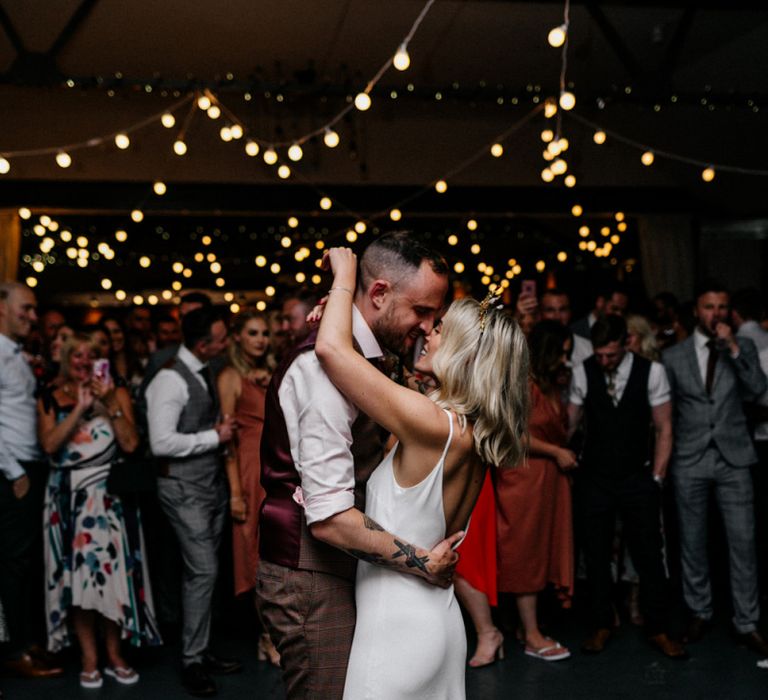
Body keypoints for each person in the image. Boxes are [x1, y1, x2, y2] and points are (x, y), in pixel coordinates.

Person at [313, 247, 529, 699]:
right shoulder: (466, 431)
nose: (427, 333)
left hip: (398, 629)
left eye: (442, 330)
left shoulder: (433, 426)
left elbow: (330, 350)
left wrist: (344, 279)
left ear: (465, 355)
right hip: (436, 618)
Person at [255, 232, 456, 698]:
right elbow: (327, 520)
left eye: (434, 316)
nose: (427, 328)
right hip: (309, 572)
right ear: (380, 294)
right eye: (420, 312)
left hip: (343, 565)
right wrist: (422, 561)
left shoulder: (366, 353)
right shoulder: (320, 369)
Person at [38, 333, 161, 688]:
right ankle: (88, 657)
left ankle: (114, 654)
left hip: (108, 499)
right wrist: (79, 407)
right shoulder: (50, 395)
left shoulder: (116, 391)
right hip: (67, 502)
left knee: (112, 577)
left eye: (90, 355)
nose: (82, 360)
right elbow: (48, 445)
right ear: (66, 360)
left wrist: (108, 402)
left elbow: (131, 443)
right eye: (76, 355)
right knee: (76, 582)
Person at [568, 315, 687, 659]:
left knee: (649, 554)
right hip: (595, 477)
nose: (604, 361)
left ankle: (658, 628)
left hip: (638, 477)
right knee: (596, 553)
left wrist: (658, 478)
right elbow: (572, 425)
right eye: (600, 355)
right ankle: (602, 623)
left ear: (627, 342)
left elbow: (664, 428)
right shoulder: (583, 371)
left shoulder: (652, 372)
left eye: (611, 355)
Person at [663, 281, 768, 655]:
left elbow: (758, 390)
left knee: (743, 542)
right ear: (697, 311)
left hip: (734, 457)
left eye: (722, 307)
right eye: (709, 307)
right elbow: (666, 413)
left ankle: (747, 622)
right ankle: (700, 612)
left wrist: (736, 350)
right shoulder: (673, 356)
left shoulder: (747, 346)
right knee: (692, 541)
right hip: (690, 458)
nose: (716, 314)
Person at [146, 307, 241, 697]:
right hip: (182, 489)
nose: (226, 343)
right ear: (203, 344)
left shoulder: (205, 369)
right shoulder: (169, 380)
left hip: (208, 487)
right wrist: (214, 437)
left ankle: (201, 650)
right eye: (221, 338)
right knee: (202, 572)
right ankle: (192, 661)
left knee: (207, 572)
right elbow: (160, 442)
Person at [496, 320, 576, 661]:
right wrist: (556, 452)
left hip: (545, 481)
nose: (566, 360)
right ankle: (531, 635)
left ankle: (525, 626)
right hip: (523, 477)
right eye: (562, 353)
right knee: (524, 553)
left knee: (540, 550)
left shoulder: (550, 383)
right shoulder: (521, 383)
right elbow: (510, 432)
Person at [0, 282, 64, 680]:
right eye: (25, 308)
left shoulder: (15, 353)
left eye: (34, 309)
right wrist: (14, 471)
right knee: (10, 564)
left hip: (30, 466)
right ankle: (10, 649)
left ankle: (24, 642)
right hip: (12, 472)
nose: (33, 316)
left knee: (24, 563)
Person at [216, 311, 278, 665]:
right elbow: (226, 440)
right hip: (248, 473)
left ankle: (273, 635)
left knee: (274, 554)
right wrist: (235, 493)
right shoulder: (230, 376)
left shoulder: (273, 373)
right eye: (253, 333)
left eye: (265, 333)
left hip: (275, 469)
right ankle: (266, 636)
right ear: (238, 337)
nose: (260, 339)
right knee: (254, 558)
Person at [539, 289, 592, 365]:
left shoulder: (587, 349)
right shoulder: (529, 348)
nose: (557, 317)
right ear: (540, 313)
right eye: (550, 310)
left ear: (570, 313)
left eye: (562, 310)